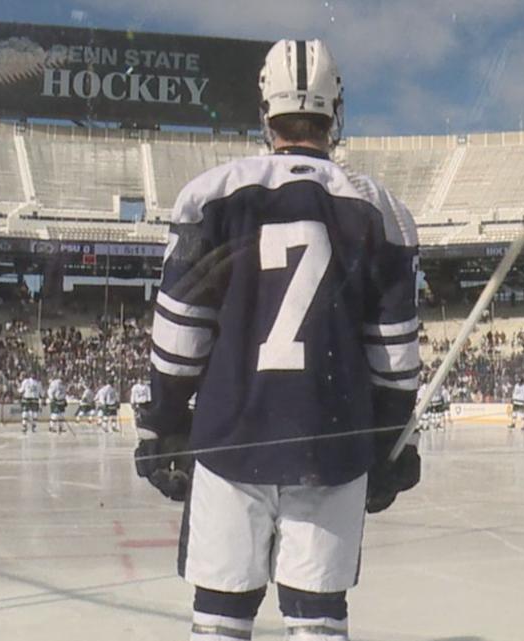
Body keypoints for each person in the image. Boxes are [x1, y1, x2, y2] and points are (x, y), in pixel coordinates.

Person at [133, 39, 422, 641]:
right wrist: (392, 446)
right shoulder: (380, 210)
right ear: (335, 112)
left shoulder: (212, 194)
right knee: (316, 623)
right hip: (332, 447)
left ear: (264, 112)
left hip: (230, 441)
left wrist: (162, 422)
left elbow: (181, 332)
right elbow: (393, 361)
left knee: (220, 621)